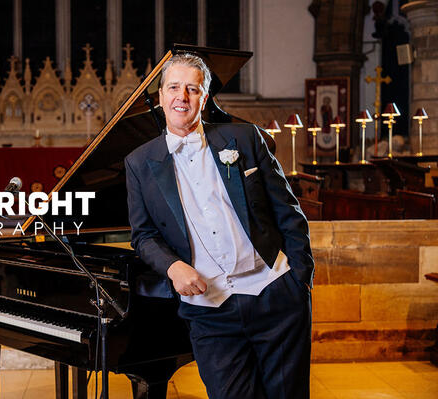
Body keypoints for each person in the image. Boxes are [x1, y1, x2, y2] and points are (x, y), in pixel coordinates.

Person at [124, 53, 314, 399]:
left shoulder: (244, 138)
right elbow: (143, 235)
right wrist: (173, 266)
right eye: (174, 88)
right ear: (160, 97)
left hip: (275, 296)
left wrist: (299, 280)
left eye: (192, 89)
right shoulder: (139, 164)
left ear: (204, 97)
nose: (182, 96)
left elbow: (288, 211)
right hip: (210, 311)